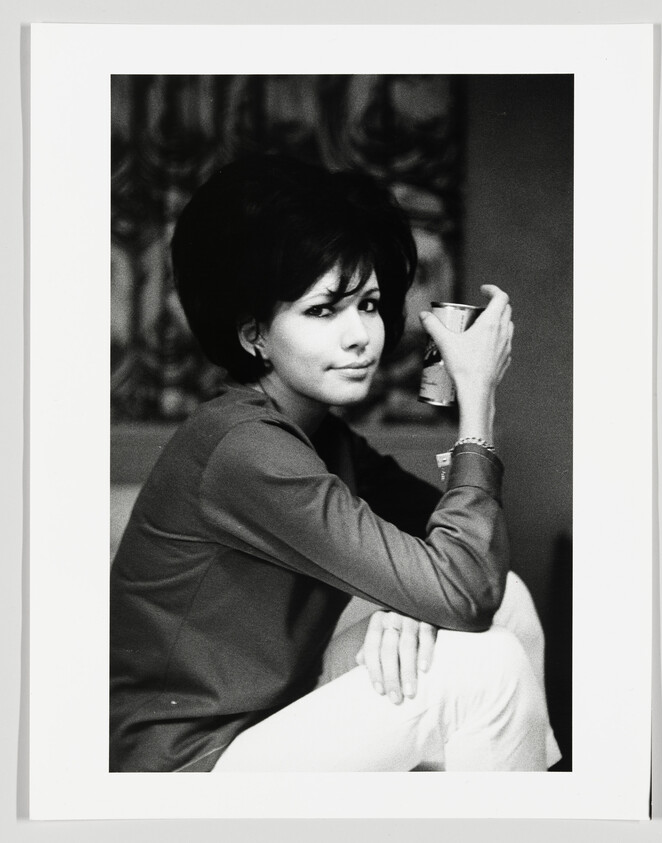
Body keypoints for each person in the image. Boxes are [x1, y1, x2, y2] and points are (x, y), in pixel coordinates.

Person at [109, 154, 561, 773]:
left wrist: (410, 602)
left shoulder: (323, 438)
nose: (360, 336)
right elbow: (460, 588)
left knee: (505, 600)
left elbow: (468, 566)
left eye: (370, 304)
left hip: (273, 728)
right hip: (189, 769)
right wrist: (476, 399)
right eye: (323, 311)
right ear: (254, 336)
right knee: (487, 667)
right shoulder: (244, 448)